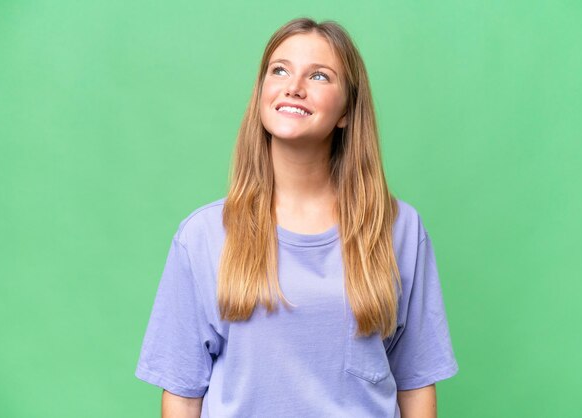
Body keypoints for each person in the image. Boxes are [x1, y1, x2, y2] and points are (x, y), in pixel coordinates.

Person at [135, 17, 458, 418]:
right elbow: (183, 395)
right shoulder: (202, 235)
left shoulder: (398, 229)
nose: (294, 86)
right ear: (262, 92)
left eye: (320, 76)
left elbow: (415, 385)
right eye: (280, 70)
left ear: (346, 112)